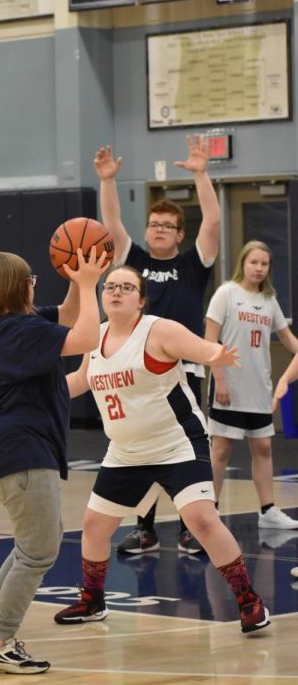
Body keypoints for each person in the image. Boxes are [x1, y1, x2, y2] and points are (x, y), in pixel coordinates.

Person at [53, 264, 271, 636]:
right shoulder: (96, 336)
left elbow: (202, 348)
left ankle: (248, 599)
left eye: (126, 287)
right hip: (125, 452)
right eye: (110, 286)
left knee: (201, 519)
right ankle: (93, 599)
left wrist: (216, 354)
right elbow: (80, 379)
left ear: (140, 300)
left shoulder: (158, 330)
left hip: (176, 445)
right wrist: (40, 392)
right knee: (93, 525)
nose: (116, 291)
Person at [0, 246, 110, 675]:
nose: (34, 285)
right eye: (31, 279)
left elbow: (67, 312)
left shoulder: (14, 326)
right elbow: (85, 337)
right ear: (18, 287)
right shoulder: (17, 333)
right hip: (19, 449)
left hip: (9, 447)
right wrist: (87, 282)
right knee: (41, 550)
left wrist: (75, 274)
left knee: (32, 545)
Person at [95, 134, 219, 555]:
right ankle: (144, 528)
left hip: (185, 367)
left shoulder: (193, 265)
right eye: (154, 224)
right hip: (138, 369)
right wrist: (108, 181)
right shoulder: (137, 267)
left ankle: (190, 527)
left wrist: (202, 174)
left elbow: (214, 224)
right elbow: (111, 226)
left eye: (168, 226)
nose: (159, 230)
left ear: (180, 234)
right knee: (140, 442)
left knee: (182, 445)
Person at [205, 240, 298, 530]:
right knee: (221, 449)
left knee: (264, 448)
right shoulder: (226, 294)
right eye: (254, 262)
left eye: (265, 264)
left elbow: (289, 341)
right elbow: (209, 341)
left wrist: (284, 380)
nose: (259, 268)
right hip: (228, 387)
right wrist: (219, 377)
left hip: (259, 389)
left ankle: (267, 510)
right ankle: (210, 510)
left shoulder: (270, 300)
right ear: (243, 263)